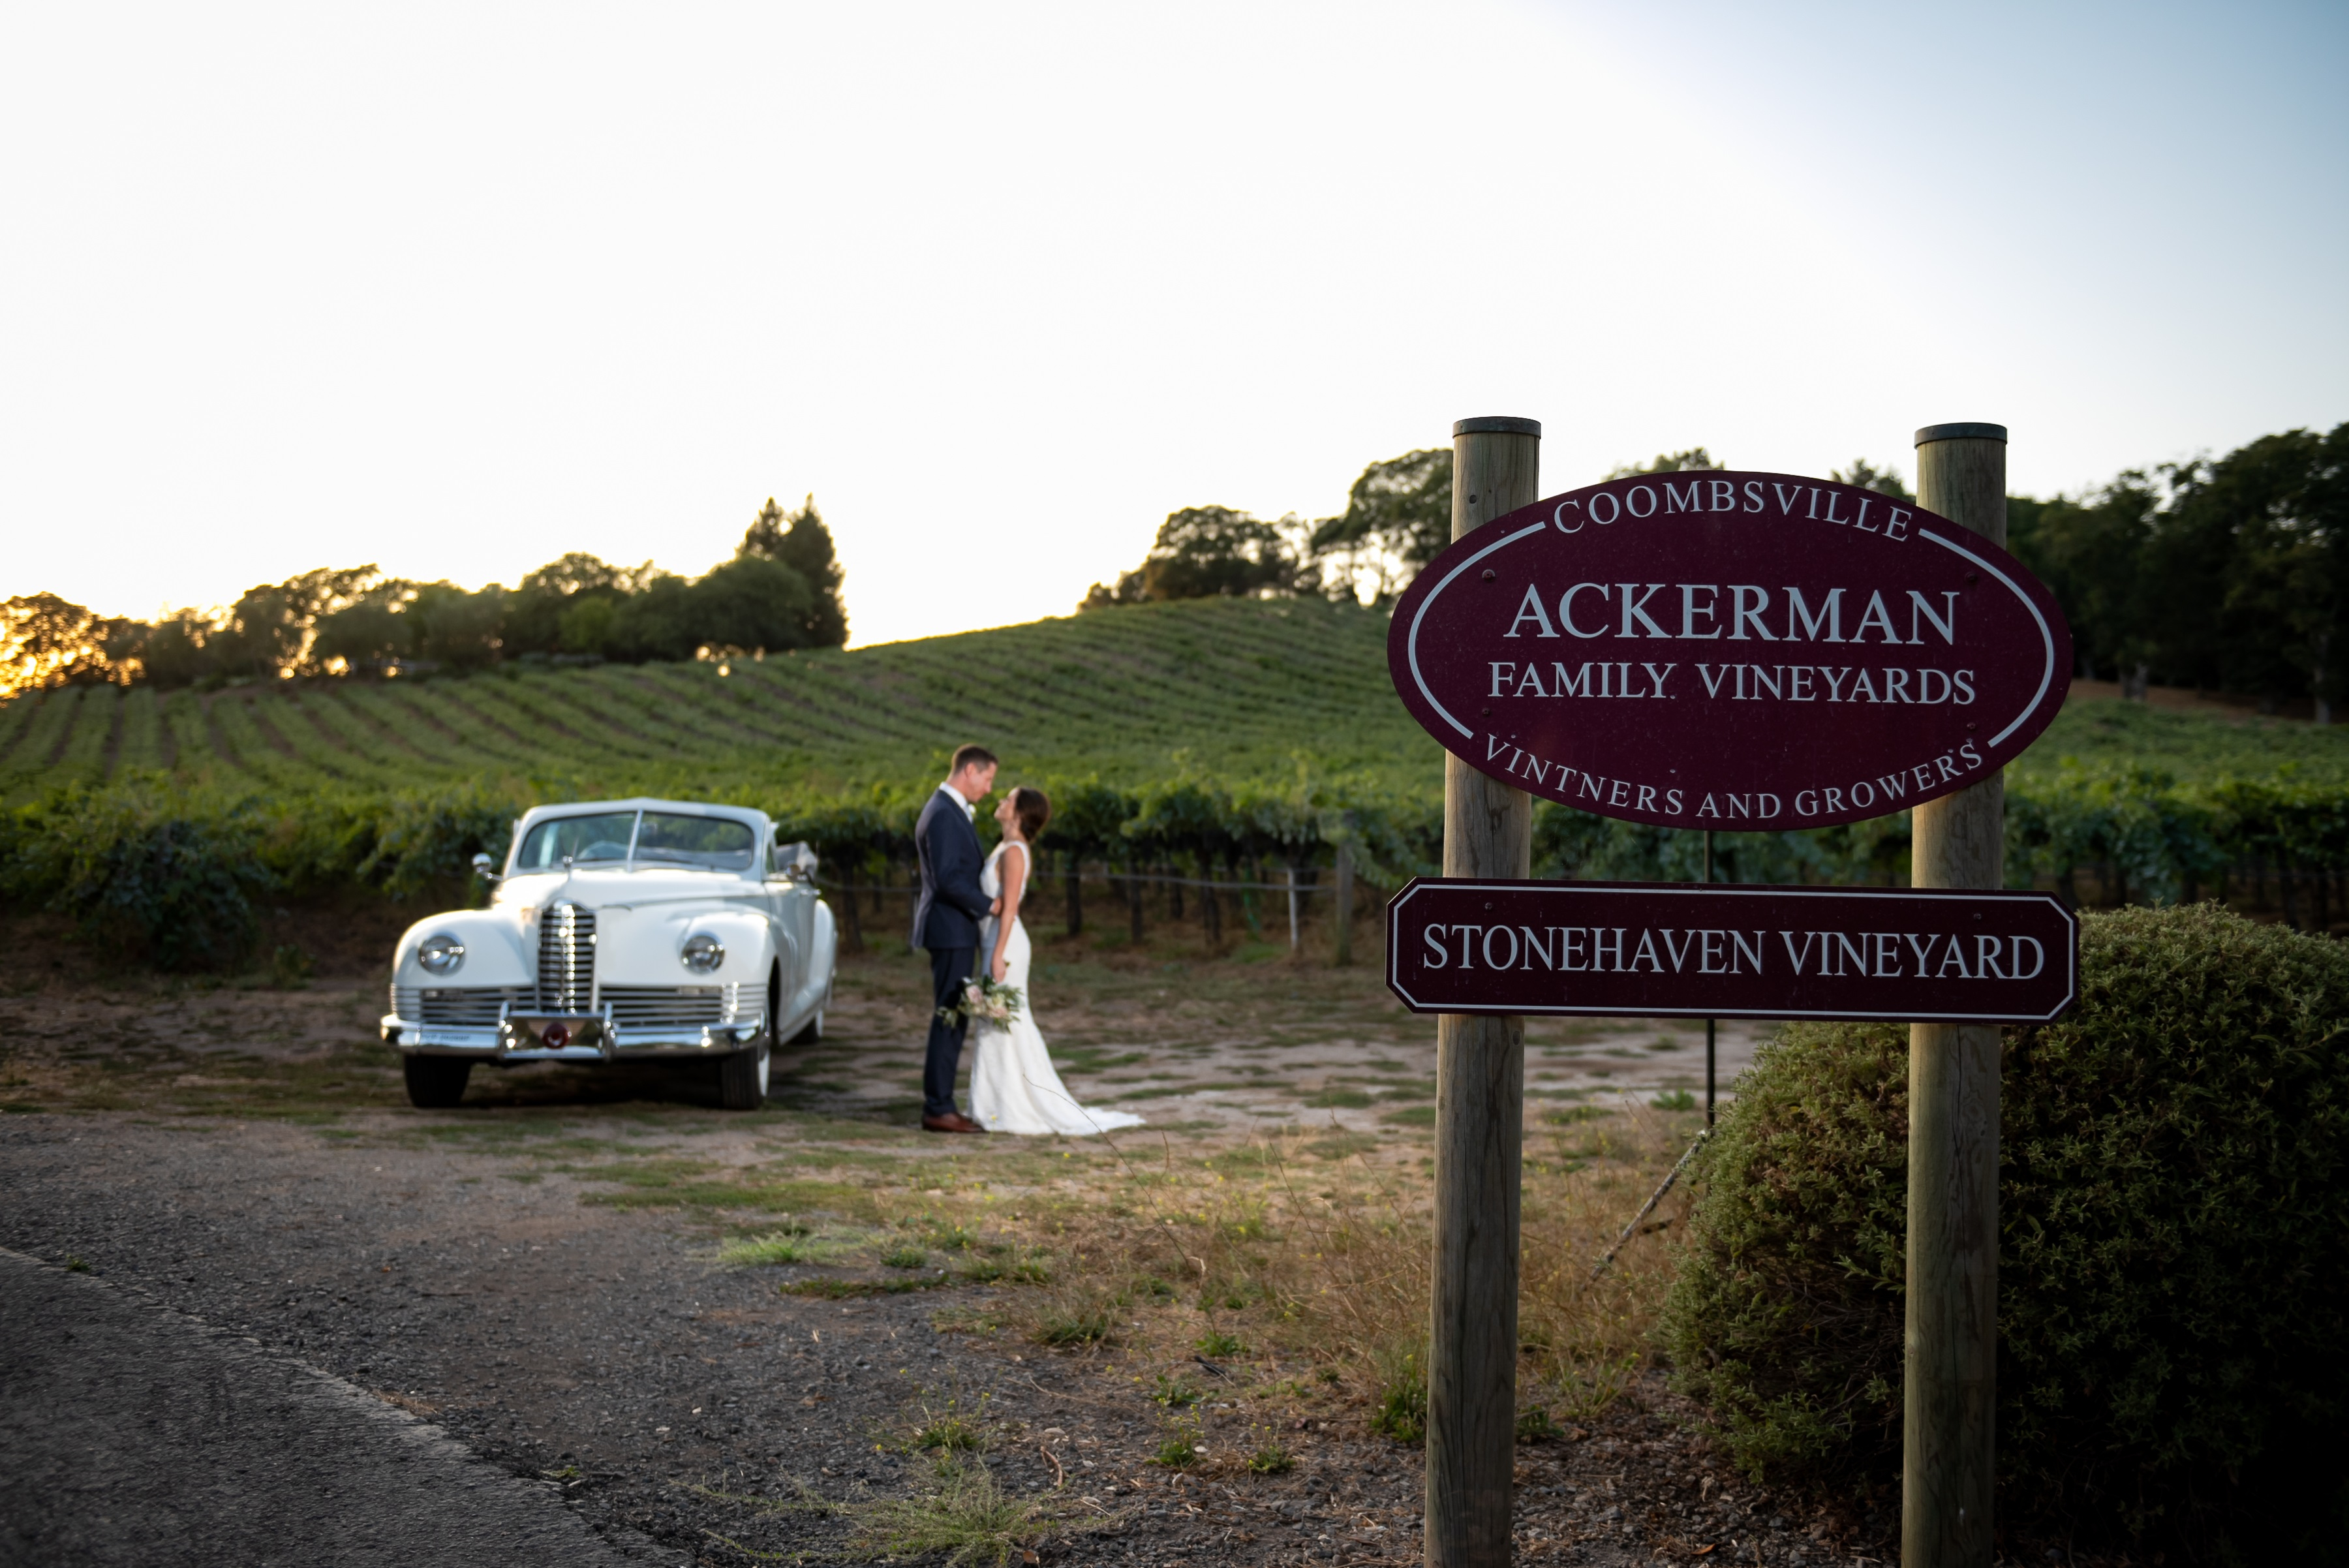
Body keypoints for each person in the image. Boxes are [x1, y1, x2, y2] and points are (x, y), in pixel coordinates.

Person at [968, 787, 1144, 1137]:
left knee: (1003, 1021)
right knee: (996, 1021)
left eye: (1008, 800)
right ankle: (993, 1105)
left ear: (1020, 813)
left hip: (1005, 945)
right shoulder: (1004, 846)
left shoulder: (1015, 851)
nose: (1001, 802)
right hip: (993, 941)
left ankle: (1007, 1108)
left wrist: (998, 955)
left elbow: (1011, 908)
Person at [910, 745, 996, 1133]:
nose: (989, 788)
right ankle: (938, 1107)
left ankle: (941, 1103)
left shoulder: (947, 808)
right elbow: (948, 878)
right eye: (988, 778)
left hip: (954, 928)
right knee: (950, 1015)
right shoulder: (944, 813)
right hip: (949, 928)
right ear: (970, 771)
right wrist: (990, 905)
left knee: (955, 1014)